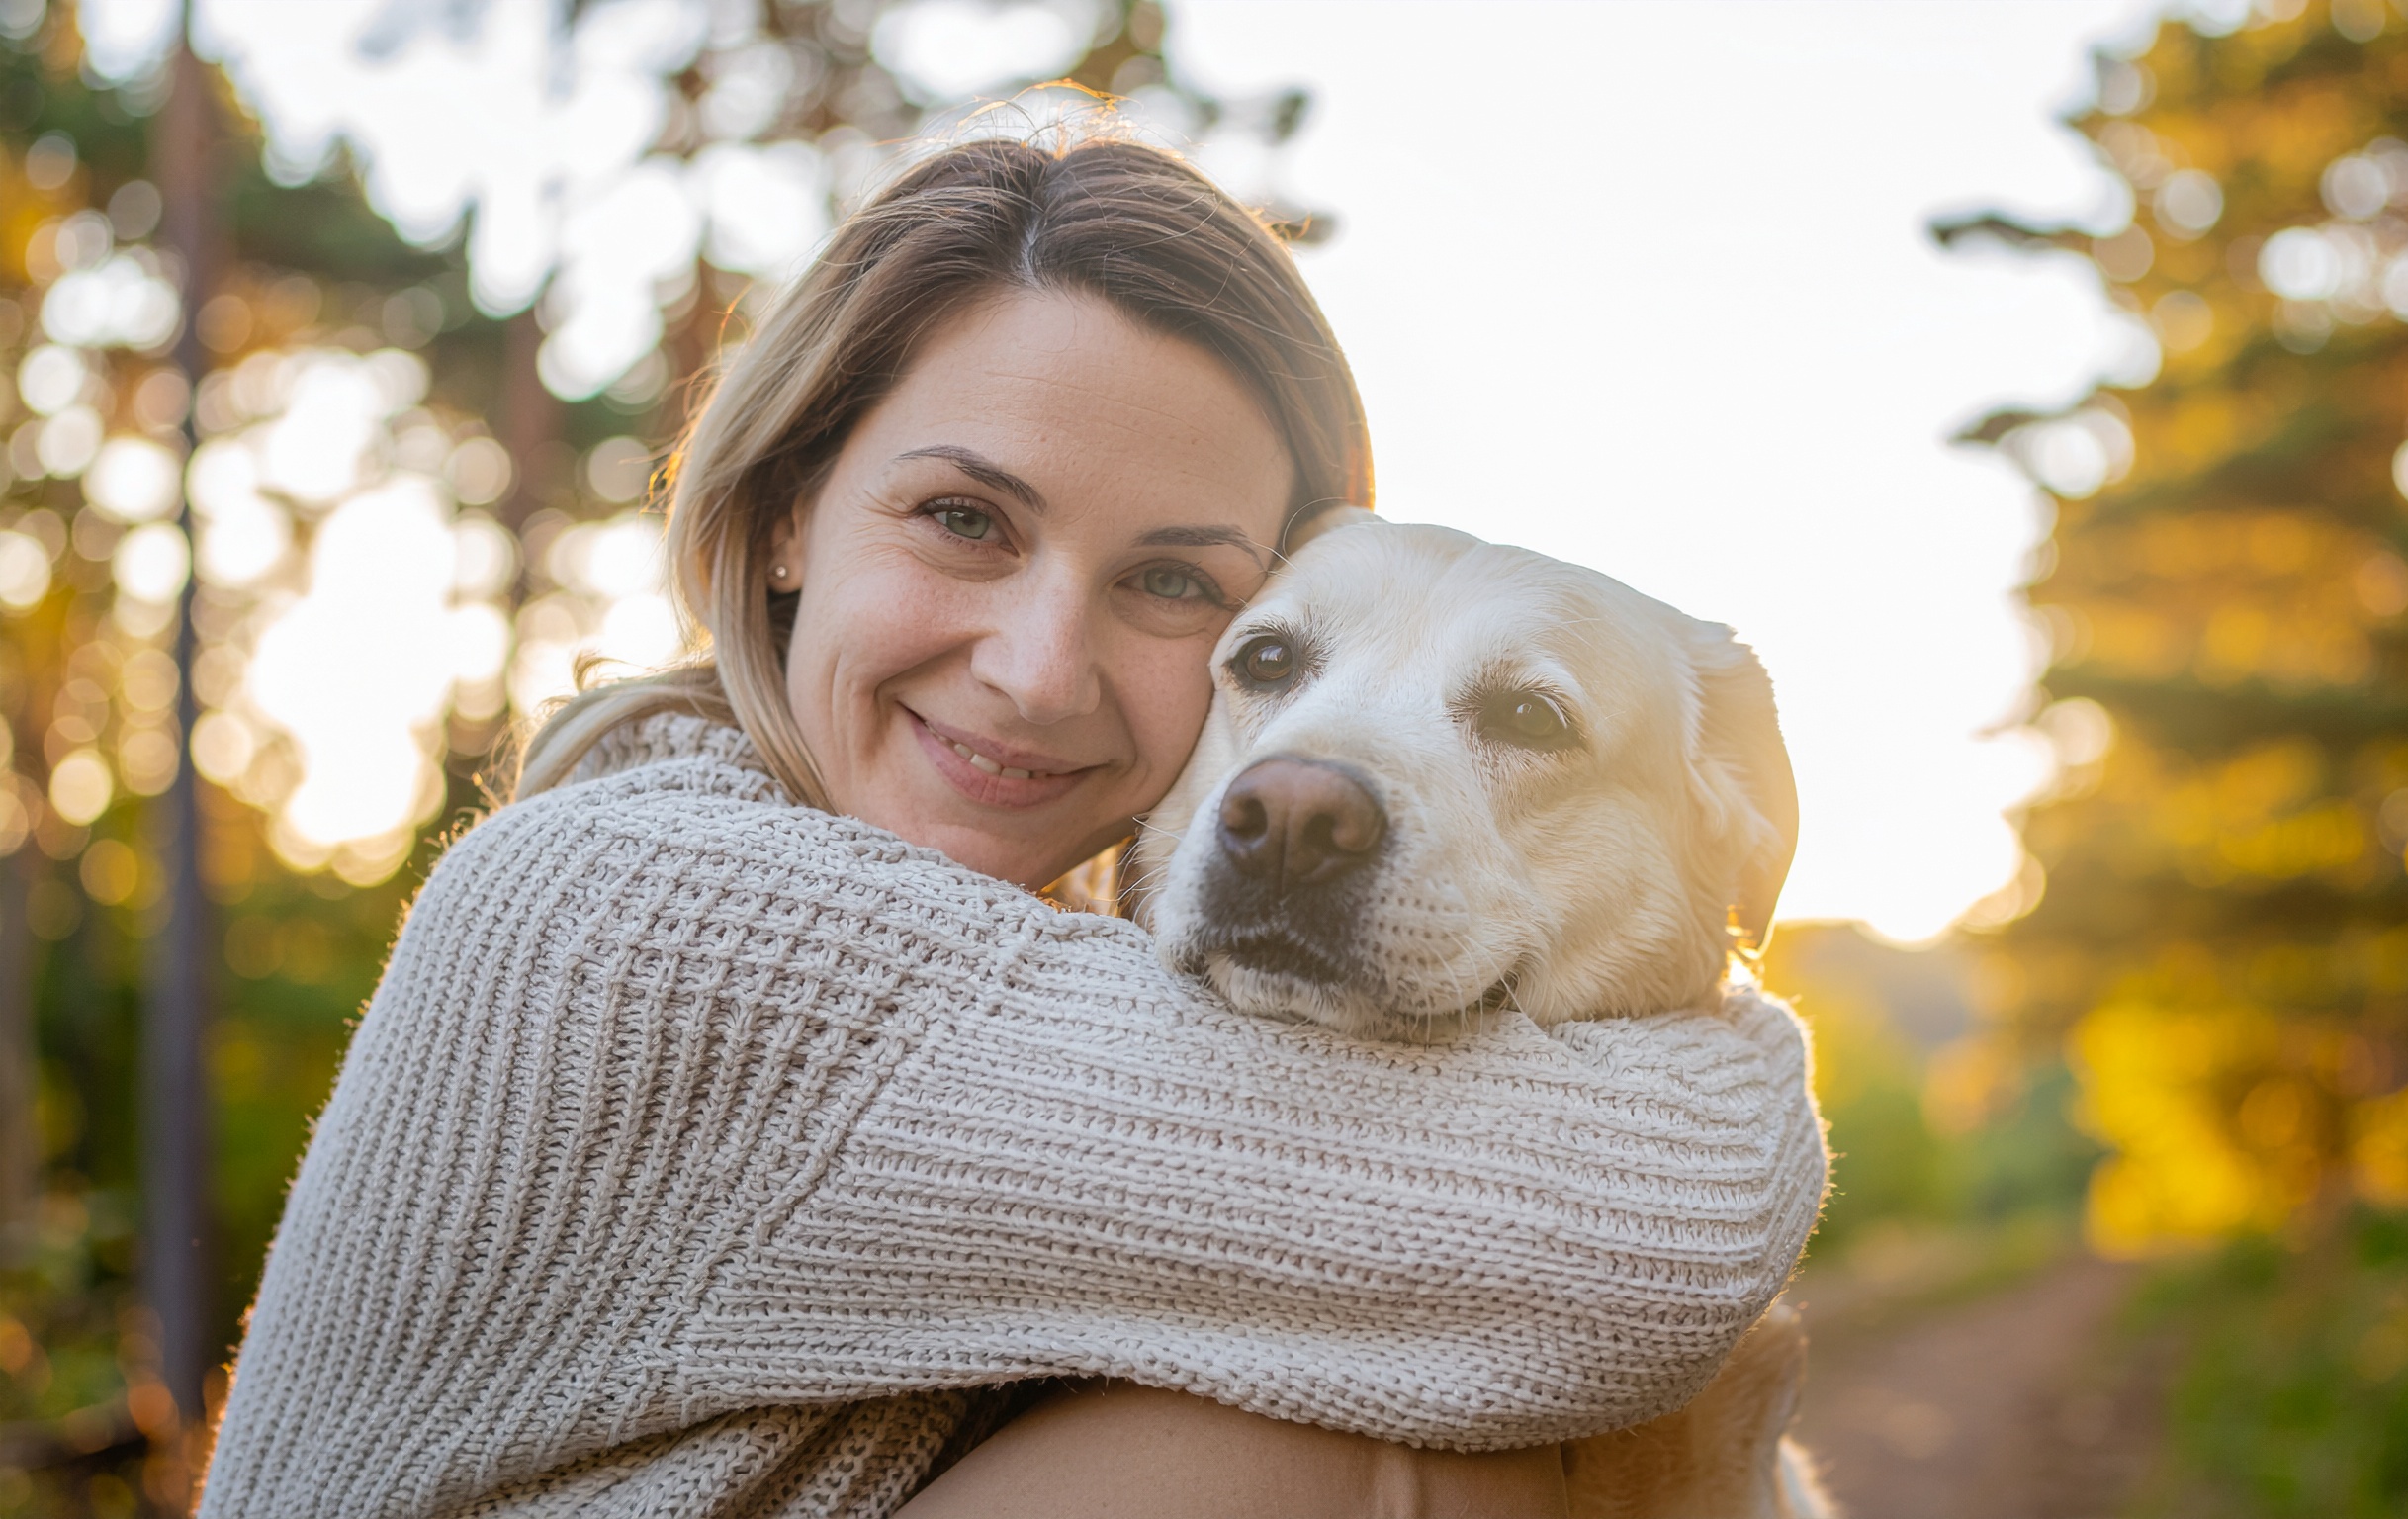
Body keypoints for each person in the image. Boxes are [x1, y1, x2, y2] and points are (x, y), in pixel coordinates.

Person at [197, 133, 1828, 1519]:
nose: (1041, 674)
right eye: (963, 519)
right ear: (780, 516)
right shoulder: (632, 915)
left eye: (1181, 586)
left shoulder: (997, 984)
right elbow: (1660, 1237)